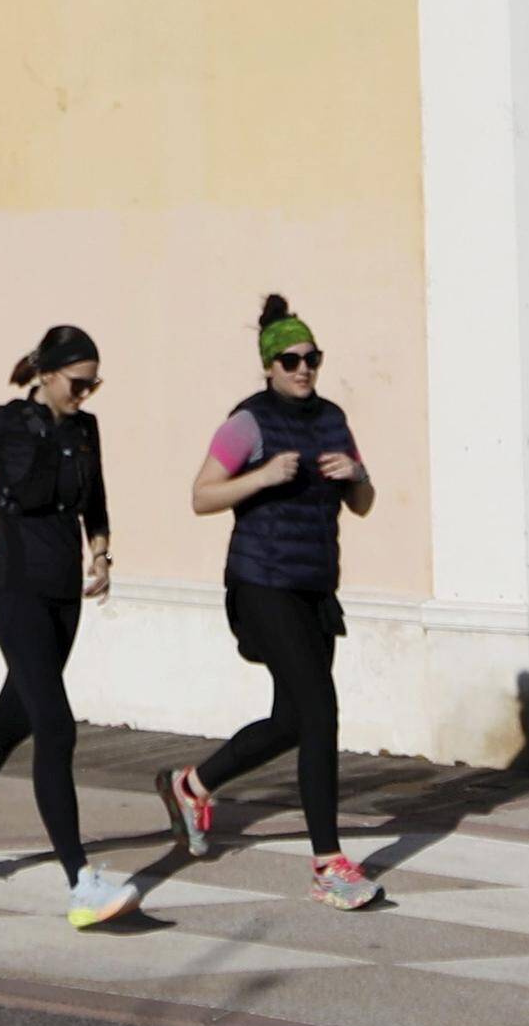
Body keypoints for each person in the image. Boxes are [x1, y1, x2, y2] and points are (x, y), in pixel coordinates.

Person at [0, 325, 135, 927]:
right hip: (13, 590)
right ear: (48, 373)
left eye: (93, 385)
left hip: (64, 596)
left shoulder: (85, 429)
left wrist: (101, 555)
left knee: (14, 721)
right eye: (77, 383)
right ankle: (81, 883)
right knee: (56, 729)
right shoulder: (4, 424)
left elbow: (96, 502)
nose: (84, 394)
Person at [161, 296, 383, 905]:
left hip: (315, 587)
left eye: (312, 358)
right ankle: (328, 865)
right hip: (260, 582)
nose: (303, 369)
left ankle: (192, 785)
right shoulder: (248, 423)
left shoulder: (333, 419)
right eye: (291, 360)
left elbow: (363, 505)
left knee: (293, 719)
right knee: (321, 711)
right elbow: (201, 496)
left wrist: (357, 476)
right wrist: (261, 476)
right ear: (269, 365)